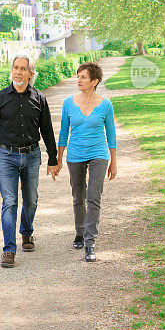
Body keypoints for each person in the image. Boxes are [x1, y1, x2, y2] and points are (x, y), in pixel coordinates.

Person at [0, 54, 59, 268]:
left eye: (23, 69)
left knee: (31, 199)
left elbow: (48, 131)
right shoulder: (0, 98)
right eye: (15, 67)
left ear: (31, 73)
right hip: (6, 156)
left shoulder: (39, 98)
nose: (18, 72)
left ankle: (26, 232)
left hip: (32, 155)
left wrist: (53, 158)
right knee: (10, 202)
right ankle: (9, 249)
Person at [57, 61, 117, 262]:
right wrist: (58, 159)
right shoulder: (68, 103)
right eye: (78, 76)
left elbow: (111, 134)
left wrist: (113, 162)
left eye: (83, 77)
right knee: (78, 196)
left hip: (99, 154)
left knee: (94, 198)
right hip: (75, 154)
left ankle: (90, 243)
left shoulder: (106, 104)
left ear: (95, 81)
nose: (79, 80)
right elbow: (64, 133)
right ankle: (80, 232)